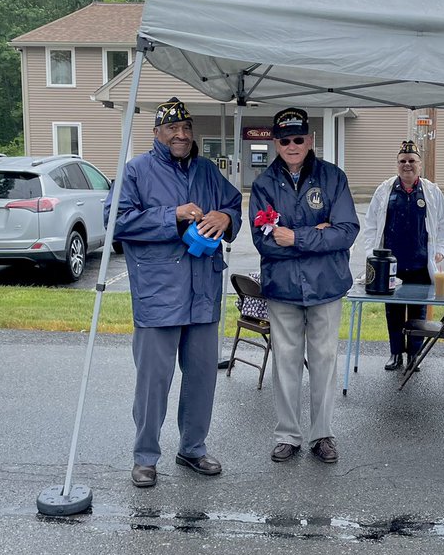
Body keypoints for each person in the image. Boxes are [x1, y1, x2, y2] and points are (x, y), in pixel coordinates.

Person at [105, 97, 242, 488]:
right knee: (154, 381)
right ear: (157, 134)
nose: (181, 135)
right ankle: (145, 456)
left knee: (202, 378)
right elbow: (115, 220)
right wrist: (173, 215)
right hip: (158, 293)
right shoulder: (136, 171)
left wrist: (226, 216)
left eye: (186, 128)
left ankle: (193, 449)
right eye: (172, 129)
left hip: (203, 292)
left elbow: (233, 204)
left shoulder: (206, 170)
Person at [249, 107, 359, 465]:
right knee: (286, 360)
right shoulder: (264, 184)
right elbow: (262, 240)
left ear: (310, 140)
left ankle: (322, 434)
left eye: (299, 138)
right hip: (283, 288)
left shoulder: (333, 178)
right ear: (276, 142)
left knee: (325, 359)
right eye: (285, 140)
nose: (292, 145)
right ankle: (287, 434)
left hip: (326, 286)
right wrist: (317, 234)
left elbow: (345, 232)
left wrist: (294, 236)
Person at [362, 140, 444, 371]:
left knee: (418, 311)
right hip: (391, 264)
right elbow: (371, 223)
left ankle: (414, 354)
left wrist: (440, 250)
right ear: (397, 164)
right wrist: (371, 255)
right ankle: (395, 354)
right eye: (402, 161)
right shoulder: (385, 190)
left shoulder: (432, 191)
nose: (407, 165)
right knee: (393, 311)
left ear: (420, 165)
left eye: (412, 161)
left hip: (421, 263)